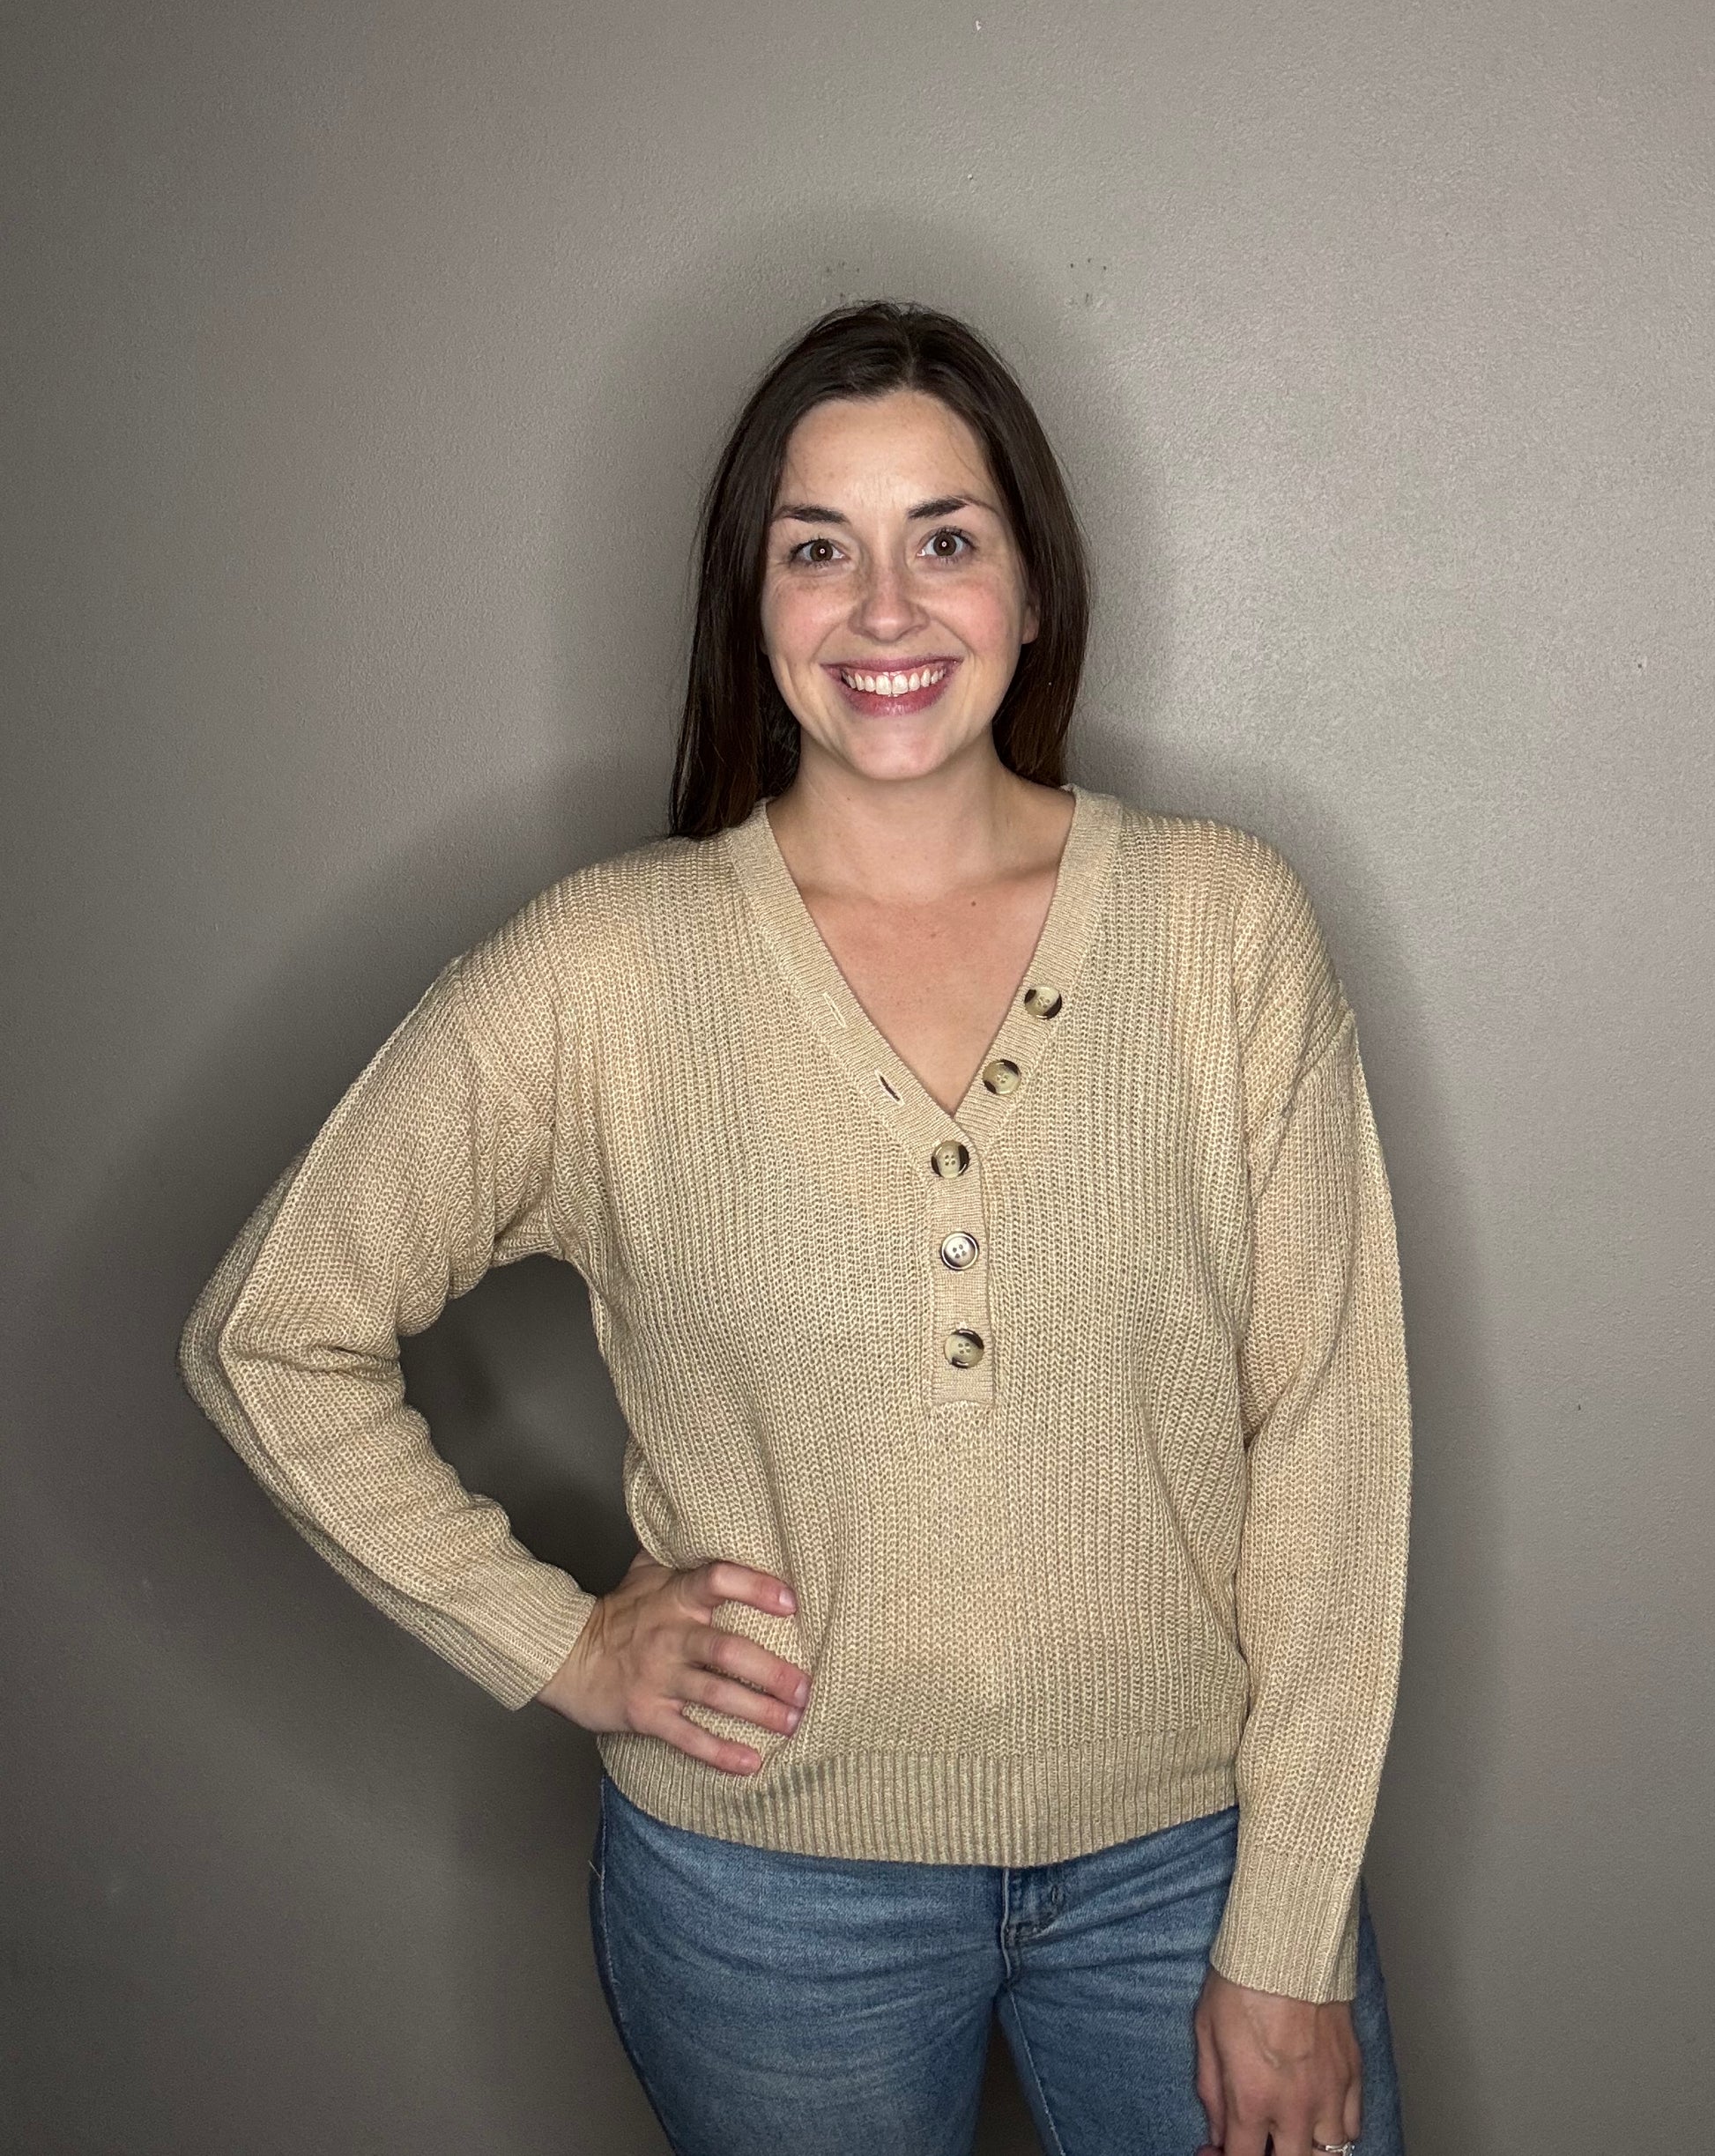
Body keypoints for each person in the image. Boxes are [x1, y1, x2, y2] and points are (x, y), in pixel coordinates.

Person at [179, 299, 1413, 2156]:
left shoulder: (1221, 926)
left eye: (946, 539)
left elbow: (1329, 1431)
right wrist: (561, 1642)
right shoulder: (607, 969)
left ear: (1029, 584)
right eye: (817, 549)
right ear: (750, 608)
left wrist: (1291, 1924)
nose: (885, 609)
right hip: (766, 1905)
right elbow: (267, 1332)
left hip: (1193, 1864)